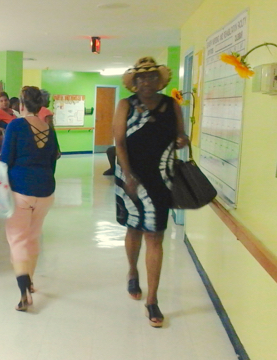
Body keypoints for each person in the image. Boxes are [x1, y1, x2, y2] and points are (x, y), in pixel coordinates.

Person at [113, 57, 188, 328]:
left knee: (155, 235)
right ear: (134, 82)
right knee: (134, 229)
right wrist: (128, 175)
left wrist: (182, 140)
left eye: (152, 77)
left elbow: (181, 136)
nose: (146, 82)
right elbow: (119, 141)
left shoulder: (172, 105)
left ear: (160, 80)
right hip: (130, 175)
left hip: (161, 178)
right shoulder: (126, 105)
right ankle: (133, 271)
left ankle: (152, 300)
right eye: (141, 78)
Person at [0, 86, 58, 312]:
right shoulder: (48, 127)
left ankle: (24, 292)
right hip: (45, 190)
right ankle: (31, 281)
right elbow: (53, 161)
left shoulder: (16, 125)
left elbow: (6, 159)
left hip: (20, 191)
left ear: (21, 104)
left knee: (17, 240)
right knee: (33, 237)